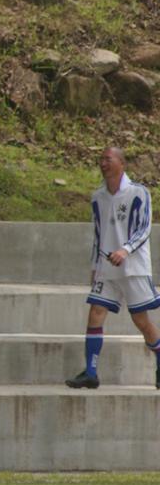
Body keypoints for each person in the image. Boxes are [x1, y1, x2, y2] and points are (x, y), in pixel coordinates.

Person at [65, 146, 160, 390]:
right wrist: (95, 265)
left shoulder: (138, 193)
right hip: (107, 267)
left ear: (121, 163)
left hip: (133, 267)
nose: (103, 163)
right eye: (101, 159)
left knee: (141, 321)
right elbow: (98, 234)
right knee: (96, 312)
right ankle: (91, 372)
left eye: (108, 159)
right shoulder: (98, 197)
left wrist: (125, 250)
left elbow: (144, 229)